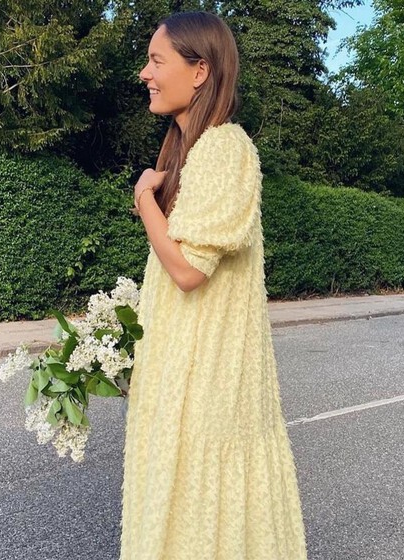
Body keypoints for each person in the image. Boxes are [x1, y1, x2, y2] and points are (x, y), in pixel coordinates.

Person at [120, 11, 308, 560]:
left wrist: (144, 200)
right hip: (184, 372)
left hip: (209, 380)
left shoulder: (225, 148)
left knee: (205, 512)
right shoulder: (189, 152)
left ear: (200, 71)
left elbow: (187, 271)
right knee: (183, 506)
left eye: (157, 60)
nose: (145, 73)